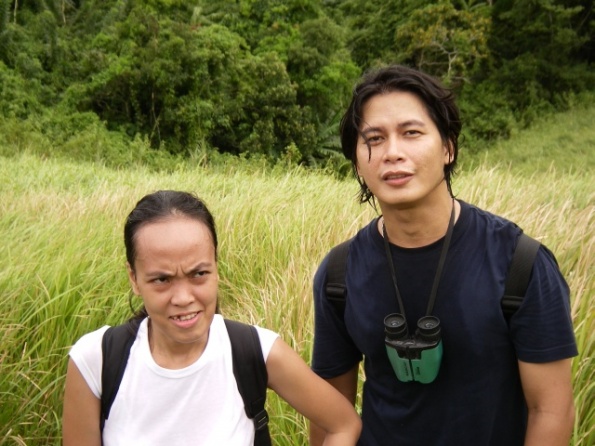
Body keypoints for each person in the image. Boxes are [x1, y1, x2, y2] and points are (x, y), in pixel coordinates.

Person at [309, 65, 577, 446]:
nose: (393, 153)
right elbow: (330, 411)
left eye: (411, 133)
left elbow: (551, 410)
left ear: (448, 148)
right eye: (374, 138)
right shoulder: (339, 275)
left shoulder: (520, 263)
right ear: (357, 162)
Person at [62, 190, 361, 446]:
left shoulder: (255, 351)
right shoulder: (96, 360)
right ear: (134, 278)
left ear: (216, 267)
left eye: (199, 274)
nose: (183, 297)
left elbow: (343, 424)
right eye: (161, 280)